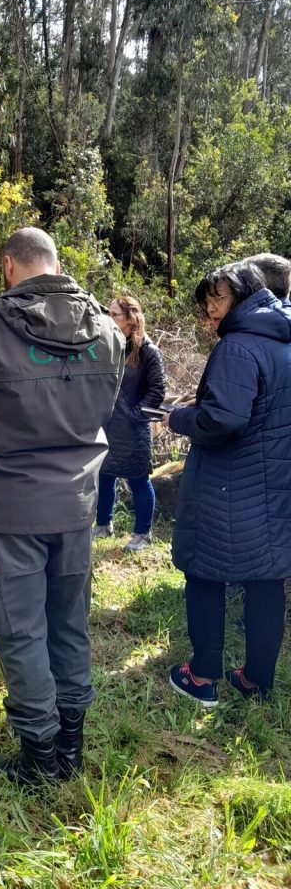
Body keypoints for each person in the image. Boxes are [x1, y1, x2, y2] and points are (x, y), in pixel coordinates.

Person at [0, 228, 125, 785]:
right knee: (69, 623)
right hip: (76, 502)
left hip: (8, 505)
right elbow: (105, 406)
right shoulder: (108, 331)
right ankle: (71, 745)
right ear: (56, 265)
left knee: (20, 630)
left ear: (8, 266)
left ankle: (41, 758)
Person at [163, 262, 291, 706]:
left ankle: (202, 678)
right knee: (266, 578)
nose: (212, 309)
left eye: (218, 298)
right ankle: (256, 680)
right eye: (207, 302)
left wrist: (178, 418)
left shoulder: (237, 346)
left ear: (245, 293)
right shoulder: (282, 338)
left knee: (203, 573)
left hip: (228, 487)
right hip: (274, 484)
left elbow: (223, 420)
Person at [93, 296, 166, 552]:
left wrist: (135, 416)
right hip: (108, 425)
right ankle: (103, 525)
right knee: (104, 475)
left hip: (134, 429)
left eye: (115, 314)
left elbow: (157, 390)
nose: (109, 318)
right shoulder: (109, 345)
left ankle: (143, 534)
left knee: (138, 480)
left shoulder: (148, 351)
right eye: (109, 313)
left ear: (130, 318)